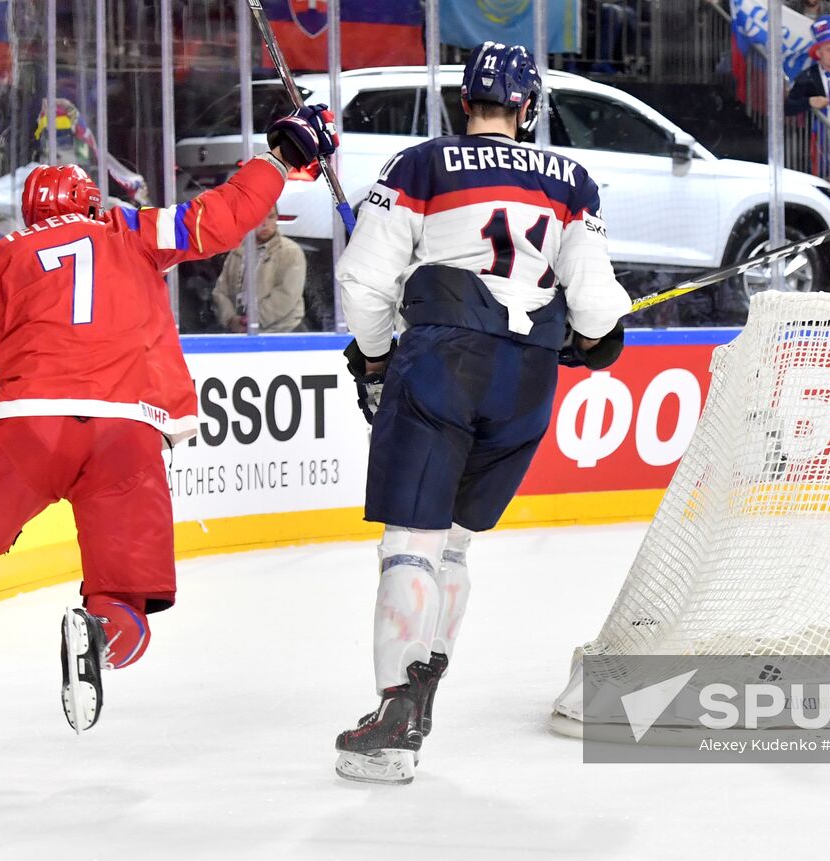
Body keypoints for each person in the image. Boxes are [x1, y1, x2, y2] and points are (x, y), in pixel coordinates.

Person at [0, 107, 335, 779]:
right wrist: (280, 160)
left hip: (27, 424)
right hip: (129, 428)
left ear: (29, 215)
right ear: (95, 202)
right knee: (126, 597)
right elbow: (221, 218)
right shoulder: (134, 231)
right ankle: (99, 634)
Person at [333, 41, 630, 785]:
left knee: (413, 544)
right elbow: (594, 306)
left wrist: (374, 357)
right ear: (528, 109)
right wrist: (597, 337)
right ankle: (423, 698)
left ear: (465, 104)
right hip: (525, 379)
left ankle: (396, 715)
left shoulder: (420, 165)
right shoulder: (571, 178)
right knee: (457, 547)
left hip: (443, 360)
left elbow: (363, 280)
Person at [211, 206, 308, 333]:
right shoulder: (237, 251)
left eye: (271, 217)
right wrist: (231, 320)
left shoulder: (290, 251)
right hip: (240, 331)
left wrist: (254, 319)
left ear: (276, 219)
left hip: (283, 332)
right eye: (259, 218)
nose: (265, 223)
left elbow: (287, 294)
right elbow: (220, 291)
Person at [785, 15, 830, 147]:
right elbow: (788, 107)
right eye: (828, 50)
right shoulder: (807, 77)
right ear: (818, 53)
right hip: (821, 143)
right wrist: (809, 102)